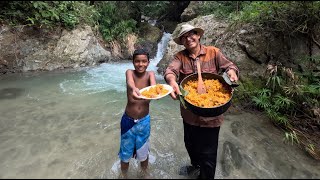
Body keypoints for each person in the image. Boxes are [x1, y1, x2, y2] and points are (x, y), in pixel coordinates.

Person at [164, 24, 239, 179]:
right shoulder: (180, 57)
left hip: (212, 115)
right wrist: (172, 82)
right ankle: (195, 166)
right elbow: (171, 71)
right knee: (190, 145)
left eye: (191, 34)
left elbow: (229, 67)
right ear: (182, 42)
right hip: (189, 113)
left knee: (208, 153)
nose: (188, 38)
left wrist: (231, 72)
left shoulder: (214, 52)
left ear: (198, 36)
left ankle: (205, 175)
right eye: (184, 37)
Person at [118, 48, 156, 178]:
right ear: (133, 62)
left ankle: (144, 175)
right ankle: (124, 176)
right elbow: (130, 82)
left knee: (143, 153)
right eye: (137, 61)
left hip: (144, 121)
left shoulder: (150, 74)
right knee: (125, 154)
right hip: (128, 120)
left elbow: (155, 88)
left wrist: (157, 93)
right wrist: (134, 88)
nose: (141, 64)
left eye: (144, 61)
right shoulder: (130, 73)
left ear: (148, 62)